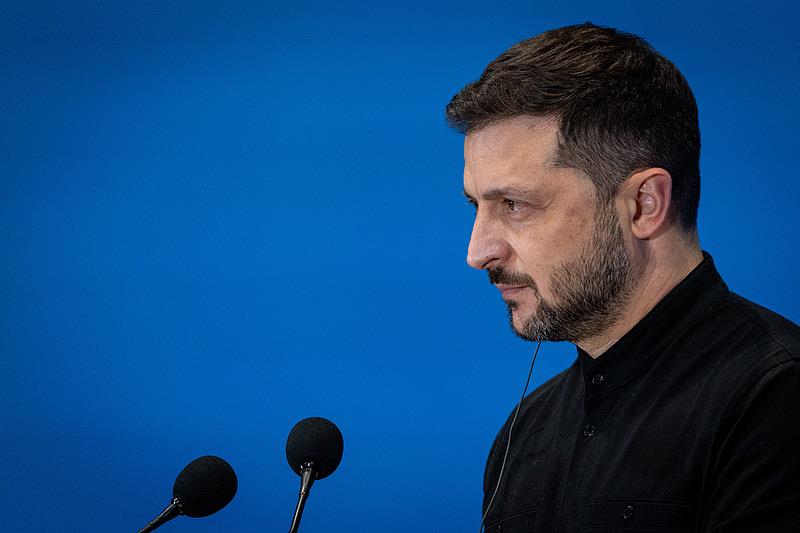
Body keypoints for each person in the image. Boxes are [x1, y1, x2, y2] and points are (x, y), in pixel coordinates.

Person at [446, 23, 800, 532]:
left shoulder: (777, 396)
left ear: (643, 204)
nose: (478, 252)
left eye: (514, 204)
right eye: (475, 206)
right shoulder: (525, 433)